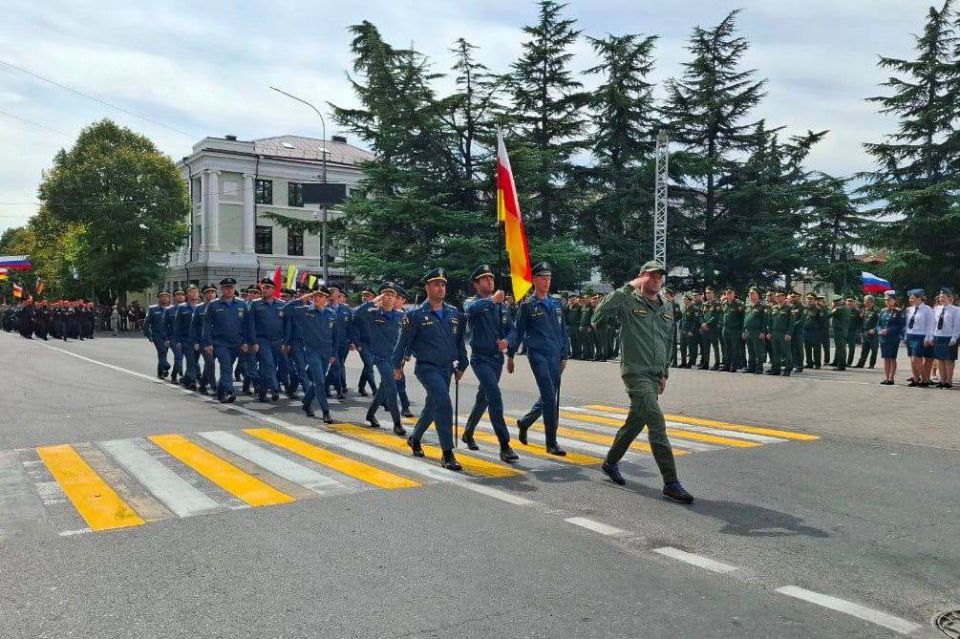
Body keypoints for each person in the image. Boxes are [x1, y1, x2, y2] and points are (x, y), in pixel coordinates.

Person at [592, 261, 693, 504]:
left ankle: (610, 462)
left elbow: (667, 341)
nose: (657, 279)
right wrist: (628, 287)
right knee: (656, 424)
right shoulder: (628, 301)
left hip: (654, 374)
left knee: (636, 422)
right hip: (635, 373)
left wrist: (665, 372)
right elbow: (600, 313)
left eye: (660, 276)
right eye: (652, 275)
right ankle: (671, 482)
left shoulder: (667, 306)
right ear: (641, 277)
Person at [394, 267, 469, 471]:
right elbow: (402, 343)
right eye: (436, 284)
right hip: (427, 368)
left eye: (443, 284)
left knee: (432, 407)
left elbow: (459, 343)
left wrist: (463, 363)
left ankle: (415, 438)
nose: (440, 288)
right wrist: (397, 366)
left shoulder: (454, 313)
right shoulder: (415, 315)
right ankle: (447, 453)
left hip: (446, 368)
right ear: (427, 287)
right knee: (443, 404)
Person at [507, 262, 570, 457]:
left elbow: (563, 330)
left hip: (556, 355)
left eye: (549, 278)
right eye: (543, 278)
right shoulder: (528, 305)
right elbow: (518, 331)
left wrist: (565, 354)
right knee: (550, 397)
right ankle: (551, 443)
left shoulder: (557, 303)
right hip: (538, 355)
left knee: (550, 396)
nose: (546, 281)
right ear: (534, 280)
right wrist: (510, 355)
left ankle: (525, 422)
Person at [460, 264, 520, 463]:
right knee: (494, 395)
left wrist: (508, 343)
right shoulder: (473, 302)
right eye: (485, 279)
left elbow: (513, 330)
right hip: (480, 359)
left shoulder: (502, 306)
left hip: (497, 359)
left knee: (484, 398)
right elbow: (469, 310)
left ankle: (468, 433)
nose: (489, 282)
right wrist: (490, 300)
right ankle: (505, 445)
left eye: (491, 279)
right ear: (476, 284)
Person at [351, 281, 407, 435]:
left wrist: (407, 353)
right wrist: (375, 300)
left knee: (383, 389)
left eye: (392, 295)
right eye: (385, 294)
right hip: (380, 358)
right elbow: (357, 314)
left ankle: (370, 415)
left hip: (395, 359)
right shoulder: (372, 313)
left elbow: (406, 337)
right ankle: (397, 423)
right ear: (381, 297)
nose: (389, 297)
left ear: (396, 298)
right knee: (391, 387)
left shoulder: (401, 315)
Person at [294, 285, 338, 423]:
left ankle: (306, 403)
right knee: (319, 380)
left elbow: (336, 336)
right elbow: (286, 309)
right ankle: (326, 411)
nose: (316, 298)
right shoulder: (306, 311)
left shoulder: (332, 313)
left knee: (318, 381)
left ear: (326, 298)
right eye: (315, 295)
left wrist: (334, 353)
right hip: (312, 352)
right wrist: (303, 298)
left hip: (326, 352)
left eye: (320, 296)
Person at [202, 278, 247, 403]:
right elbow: (206, 325)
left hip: (236, 343)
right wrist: (208, 343)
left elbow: (247, 325)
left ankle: (221, 393)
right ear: (222, 289)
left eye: (231, 287)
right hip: (220, 343)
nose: (229, 290)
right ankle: (229, 390)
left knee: (228, 367)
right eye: (226, 287)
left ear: (234, 289)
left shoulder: (242, 304)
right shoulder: (213, 305)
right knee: (226, 366)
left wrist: (245, 342)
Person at [247, 278, 285, 402]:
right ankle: (274, 389)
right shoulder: (255, 304)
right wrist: (253, 342)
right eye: (263, 287)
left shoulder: (281, 304)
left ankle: (262, 391)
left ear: (273, 290)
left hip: (277, 340)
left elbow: (286, 324)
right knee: (268, 362)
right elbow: (250, 325)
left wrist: (284, 341)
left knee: (267, 367)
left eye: (268, 287)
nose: (265, 289)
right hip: (262, 340)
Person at [325, 285, 354, 400]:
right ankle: (339, 390)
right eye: (330, 291)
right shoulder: (324, 308)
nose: (333, 293)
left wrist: (352, 341)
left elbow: (350, 327)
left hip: (344, 343)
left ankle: (327, 386)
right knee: (336, 366)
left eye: (335, 291)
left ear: (339, 294)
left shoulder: (346, 309)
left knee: (339, 365)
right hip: (330, 344)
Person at [903, 288, 935, 387]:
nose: (910, 300)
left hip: (920, 336)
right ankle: (916, 380)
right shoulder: (909, 309)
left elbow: (930, 325)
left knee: (916, 359)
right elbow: (907, 324)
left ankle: (925, 380)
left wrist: (928, 338)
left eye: (913, 298)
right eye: (910, 298)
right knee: (912, 359)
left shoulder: (927, 309)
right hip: (910, 335)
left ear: (919, 299)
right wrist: (905, 336)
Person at [932, 288, 959, 389]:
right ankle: (942, 381)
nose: (941, 298)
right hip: (938, 337)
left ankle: (949, 381)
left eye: (943, 297)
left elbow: (957, 325)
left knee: (949, 360)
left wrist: (954, 338)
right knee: (940, 360)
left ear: (949, 298)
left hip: (949, 338)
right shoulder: (936, 309)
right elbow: (933, 324)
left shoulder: (956, 310)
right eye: (940, 297)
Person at [175, 286, 201, 390]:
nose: (193, 294)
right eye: (191, 292)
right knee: (190, 360)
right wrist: (177, 340)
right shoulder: (182, 307)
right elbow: (177, 325)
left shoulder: (202, 307)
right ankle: (192, 381)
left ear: (199, 294)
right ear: (187, 295)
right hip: (186, 339)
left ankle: (186, 379)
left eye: (195, 292)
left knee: (195, 361)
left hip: (199, 340)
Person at [355, 286, 379, 398]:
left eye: (368, 295)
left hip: (374, 344)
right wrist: (357, 344)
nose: (365, 297)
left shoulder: (378, 310)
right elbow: (353, 329)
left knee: (367, 366)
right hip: (363, 344)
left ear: (374, 297)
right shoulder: (359, 310)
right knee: (369, 365)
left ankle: (361, 386)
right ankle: (375, 389)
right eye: (364, 295)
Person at [877, 290, 905, 385]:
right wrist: (879, 330)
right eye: (886, 300)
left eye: (889, 300)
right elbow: (878, 324)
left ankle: (891, 378)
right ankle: (886, 377)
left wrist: (889, 330)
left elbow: (900, 326)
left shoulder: (898, 312)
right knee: (886, 358)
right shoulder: (883, 311)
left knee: (892, 358)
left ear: (894, 301)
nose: (887, 302)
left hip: (893, 338)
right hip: (883, 338)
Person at [144, 291, 172, 379]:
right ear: (158, 298)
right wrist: (149, 335)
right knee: (162, 351)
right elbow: (146, 323)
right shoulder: (153, 309)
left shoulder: (172, 309)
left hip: (168, 336)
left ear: (169, 298)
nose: (164, 298)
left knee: (163, 353)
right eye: (162, 296)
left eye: (166, 296)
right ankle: (166, 366)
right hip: (157, 335)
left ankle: (161, 372)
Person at [720, 287, 744, 373]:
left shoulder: (738, 304)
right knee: (727, 348)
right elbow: (723, 314)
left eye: (730, 294)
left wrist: (741, 328)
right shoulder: (724, 303)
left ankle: (734, 366)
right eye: (727, 294)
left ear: (734, 295)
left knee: (734, 348)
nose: (729, 295)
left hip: (735, 329)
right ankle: (727, 365)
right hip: (726, 328)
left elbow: (742, 317)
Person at [743, 287, 765, 374]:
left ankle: (759, 368)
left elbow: (765, 320)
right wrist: (744, 331)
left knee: (758, 351)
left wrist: (763, 332)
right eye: (749, 294)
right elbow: (745, 319)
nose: (750, 295)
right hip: (748, 331)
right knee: (750, 350)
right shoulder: (748, 306)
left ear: (757, 295)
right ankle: (751, 367)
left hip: (757, 331)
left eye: (752, 293)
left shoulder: (762, 306)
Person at [854, 295, 880, 369]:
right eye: (864, 301)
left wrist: (874, 329)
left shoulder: (876, 310)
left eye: (865, 301)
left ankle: (872, 364)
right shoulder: (864, 310)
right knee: (864, 349)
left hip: (873, 333)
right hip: (865, 332)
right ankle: (860, 364)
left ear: (870, 301)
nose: (864, 302)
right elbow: (862, 322)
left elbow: (879, 322)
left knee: (874, 350)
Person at [165, 290, 186, 384]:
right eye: (178, 294)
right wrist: (166, 339)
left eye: (182, 294)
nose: (180, 296)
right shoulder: (169, 310)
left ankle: (181, 375)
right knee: (179, 357)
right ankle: (175, 376)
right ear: (174, 297)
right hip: (174, 338)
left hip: (187, 338)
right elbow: (164, 325)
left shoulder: (189, 308)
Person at [679, 293, 700, 368]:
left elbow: (696, 321)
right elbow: (682, 319)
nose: (683, 300)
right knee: (682, 347)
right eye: (683, 299)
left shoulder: (695, 308)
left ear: (689, 300)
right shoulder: (684, 308)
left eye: (685, 299)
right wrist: (680, 328)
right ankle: (683, 362)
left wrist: (692, 331)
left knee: (691, 347)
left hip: (690, 331)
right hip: (683, 330)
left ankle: (690, 362)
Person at [829, 295, 850, 371]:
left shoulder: (838, 309)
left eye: (833, 302)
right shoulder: (847, 308)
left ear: (836, 302)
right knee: (840, 347)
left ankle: (841, 365)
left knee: (841, 348)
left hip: (839, 331)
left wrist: (833, 307)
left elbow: (828, 315)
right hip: (843, 330)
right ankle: (837, 362)